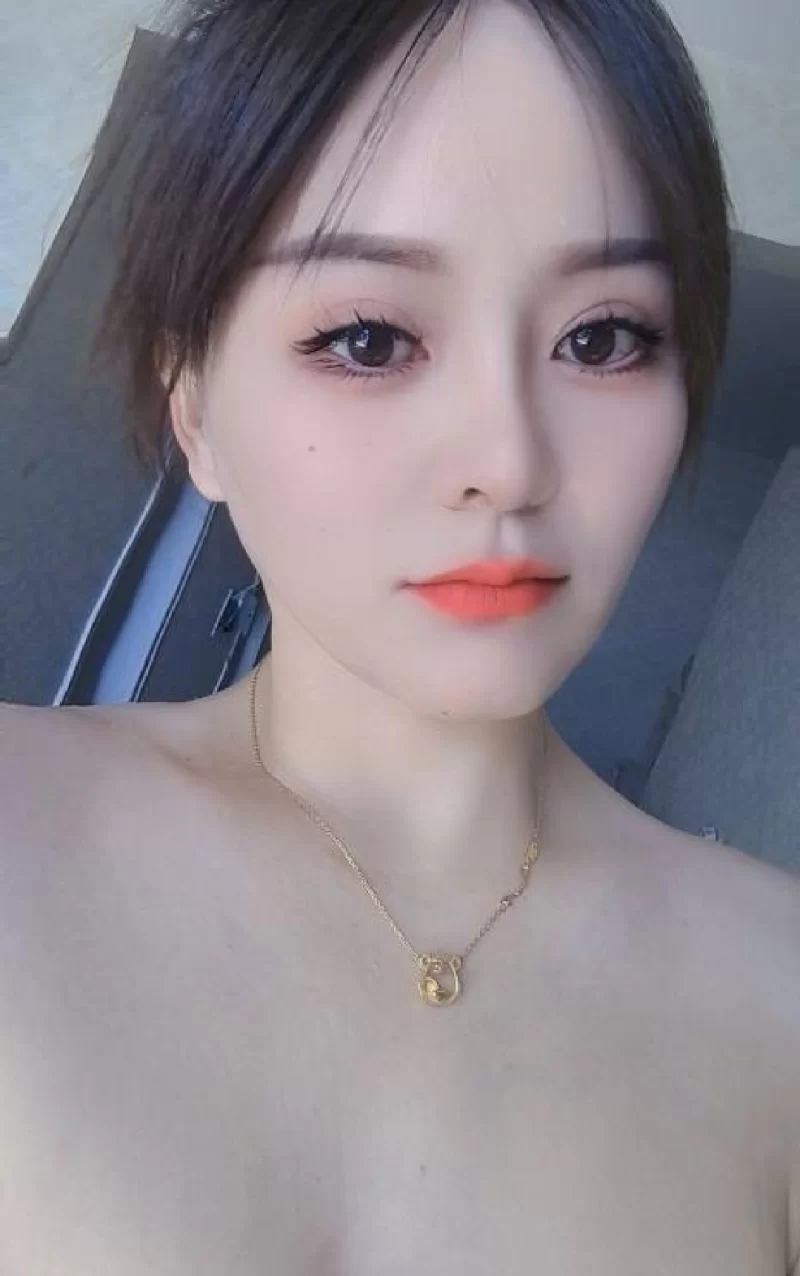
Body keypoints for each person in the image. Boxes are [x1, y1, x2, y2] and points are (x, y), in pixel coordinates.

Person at [2, 0, 799, 1270]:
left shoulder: (775, 996)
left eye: (601, 338)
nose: (509, 460)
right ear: (194, 408)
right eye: (368, 339)